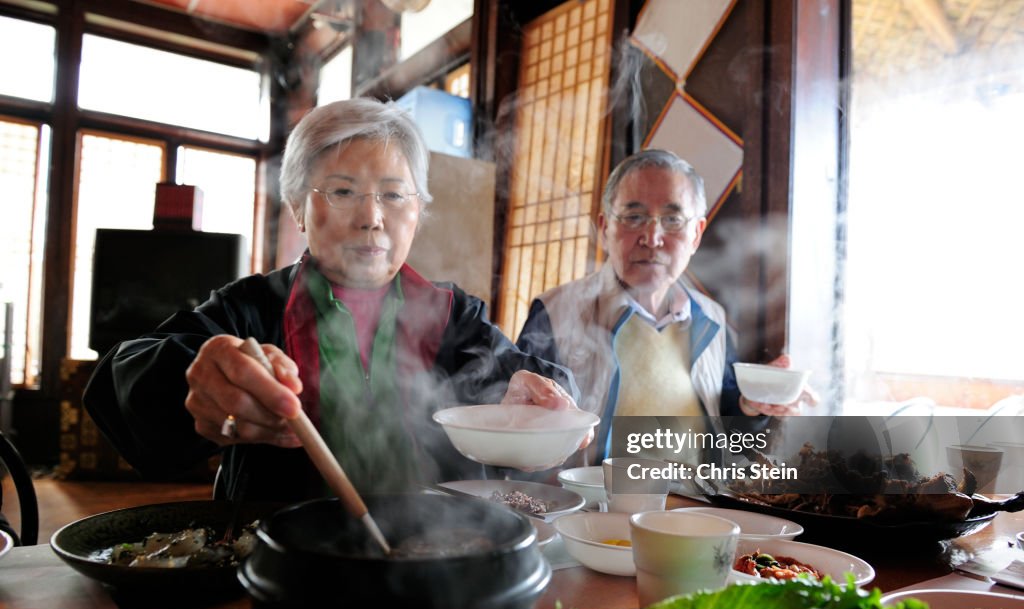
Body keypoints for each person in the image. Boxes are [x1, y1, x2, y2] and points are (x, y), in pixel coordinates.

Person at [83, 97, 588, 502]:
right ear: (299, 210)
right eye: (343, 192)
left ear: (418, 212)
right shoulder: (253, 308)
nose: (371, 217)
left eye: (393, 195)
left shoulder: (453, 314)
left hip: (441, 561)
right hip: (286, 564)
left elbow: (531, 380)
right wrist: (197, 375)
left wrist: (547, 399)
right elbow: (117, 381)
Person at [517, 149, 814, 465]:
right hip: (592, 509)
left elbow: (730, 433)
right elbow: (520, 435)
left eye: (672, 220)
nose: (652, 237)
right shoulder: (555, 311)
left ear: (696, 235)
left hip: (694, 509)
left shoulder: (711, 318)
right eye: (633, 216)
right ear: (605, 229)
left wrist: (754, 405)